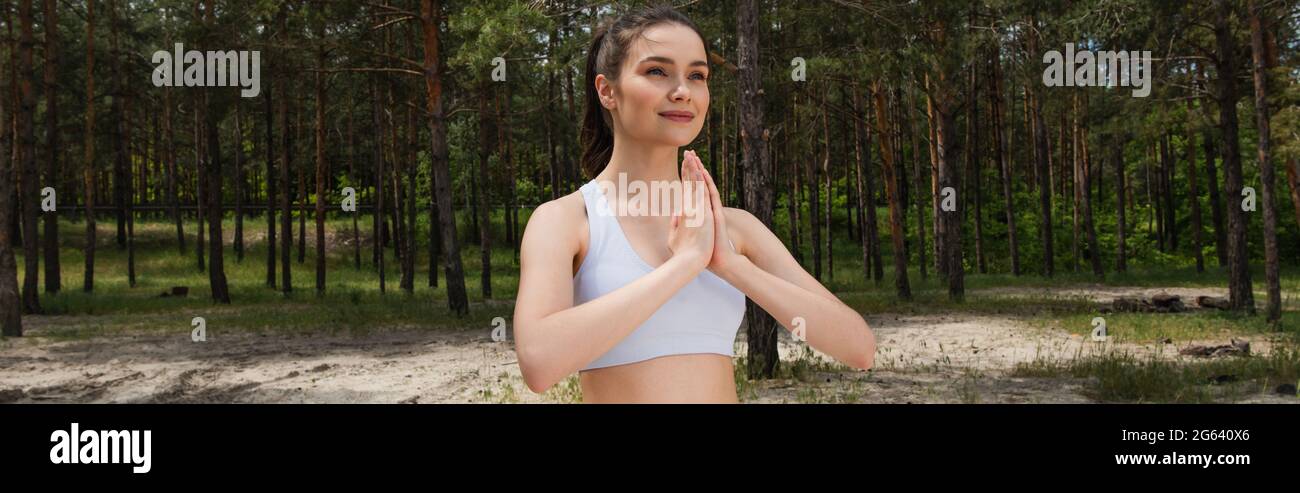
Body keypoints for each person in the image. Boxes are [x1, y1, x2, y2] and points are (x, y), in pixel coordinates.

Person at [513, 4, 875, 403]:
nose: (682, 90)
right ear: (607, 90)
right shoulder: (566, 221)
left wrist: (730, 265)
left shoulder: (732, 228)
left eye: (697, 75)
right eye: (657, 71)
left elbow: (858, 348)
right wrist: (685, 265)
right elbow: (540, 363)